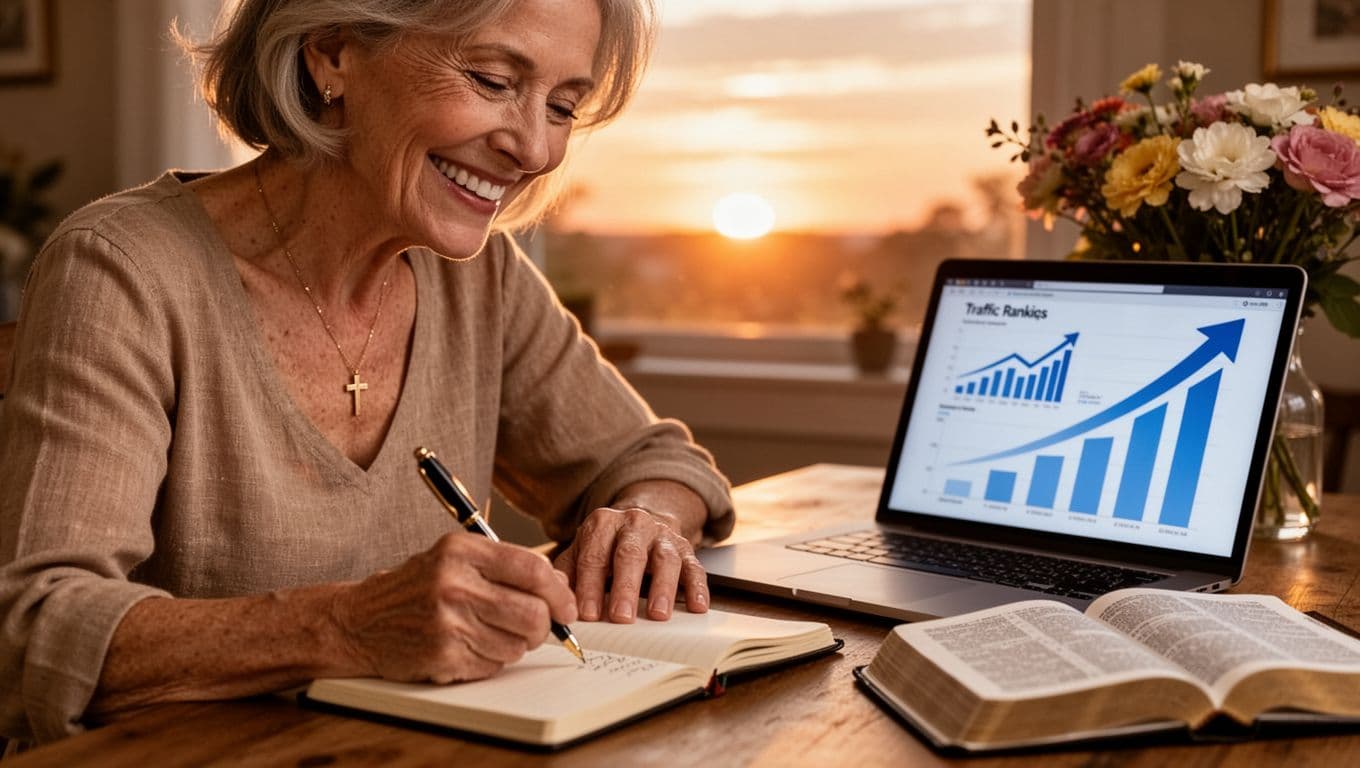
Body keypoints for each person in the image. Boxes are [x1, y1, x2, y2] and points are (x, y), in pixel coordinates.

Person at [0, 0, 733, 747]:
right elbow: (35, 627)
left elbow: (655, 461)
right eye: (489, 80)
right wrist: (346, 626)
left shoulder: (479, 281)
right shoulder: (123, 269)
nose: (536, 149)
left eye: (563, 106)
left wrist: (645, 522)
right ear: (332, 54)